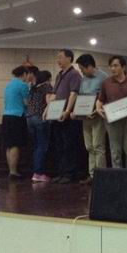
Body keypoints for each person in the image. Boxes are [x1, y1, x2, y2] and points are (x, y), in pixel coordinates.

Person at [96, 56, 127, 169]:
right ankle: (117, 176)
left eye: (115, 66)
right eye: (111, 66)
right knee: (115, 152)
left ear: (123, 67)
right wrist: (98, 108)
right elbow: (100, 100)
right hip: (112, 121)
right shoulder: (106, 83)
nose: (112, 68)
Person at [48, 49, 82, 184]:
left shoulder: (74, 74)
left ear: (69, 58)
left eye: (61, 57)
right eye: (57, 58)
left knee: (69, 145)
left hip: (68, 117)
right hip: (56, 114)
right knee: (59, 145)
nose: (58, 60)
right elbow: (54, 94)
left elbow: (74, 93)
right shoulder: (59, 75)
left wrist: (67, 110)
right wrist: (47, 110)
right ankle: (61, 172)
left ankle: (69, 173)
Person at [75, 54, 108, 185]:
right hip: (85, 117)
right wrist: (81, 112)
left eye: (82, 68)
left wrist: (96, 109)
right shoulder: (83, 79)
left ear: (89, 66)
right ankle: (92, 174)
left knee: (98, 146)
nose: (81, 71)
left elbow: (106, 98)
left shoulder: (103, 77)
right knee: (89, 146)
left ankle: (101, 176)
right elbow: (81, 97)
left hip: (98, 116)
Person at [2, 66, 30, 179]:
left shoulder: (8, 85)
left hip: (6, 116)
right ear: (24, 74)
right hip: (17, 116)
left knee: (9, 145)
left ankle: (11, 170)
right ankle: (13, 171)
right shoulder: (23, 85)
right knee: (15, 144)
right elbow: (26, 102)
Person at [27, 70, 53, 183]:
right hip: (40, 118)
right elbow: (49, 102)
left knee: (36, 145)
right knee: (42, 146)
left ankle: (35, 171)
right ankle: (38, 173)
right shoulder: (47, 86)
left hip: (30, 118)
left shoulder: (33, 88)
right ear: (48, 78)